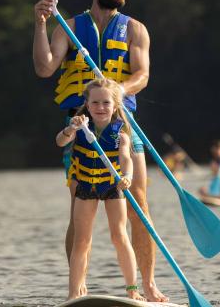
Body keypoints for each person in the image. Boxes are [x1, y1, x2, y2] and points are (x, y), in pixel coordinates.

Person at [33, 0, 168, 302]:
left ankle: (148, 285)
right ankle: (76, 289)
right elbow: (46, 67)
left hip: (122, 123)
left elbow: (143, 75)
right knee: (81, 204)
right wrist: (41, 23)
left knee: (138, 200)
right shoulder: (72, 27)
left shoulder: (136, 29)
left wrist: (117, 90)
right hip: (81, 125)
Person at [56, 79, 145, 301]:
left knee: (119, 236)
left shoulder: (120, 133)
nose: (100, 107)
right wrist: (71, 128)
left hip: (112, 186)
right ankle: (74, 292)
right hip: (86, 187)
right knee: (82, 240)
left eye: (106, 102)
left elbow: (126, 158)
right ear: (87, 104)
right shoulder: (79, 128)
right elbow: (60, 141)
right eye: (95, 102)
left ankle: (132, 289)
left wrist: (127, 177)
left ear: (115, 105)